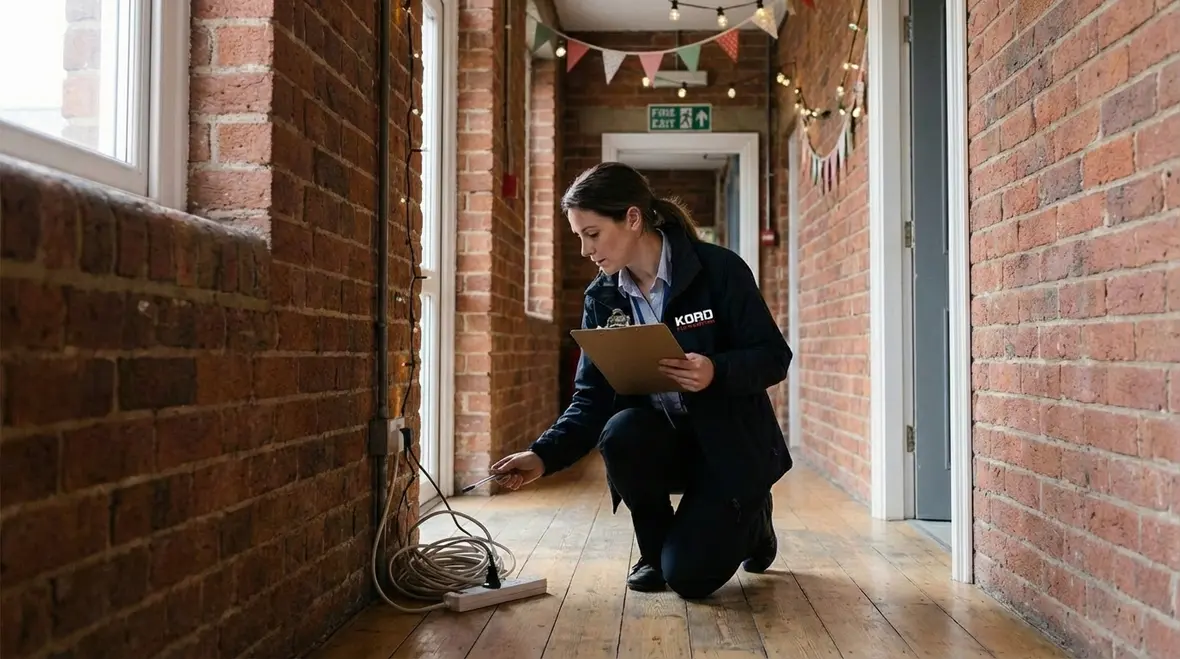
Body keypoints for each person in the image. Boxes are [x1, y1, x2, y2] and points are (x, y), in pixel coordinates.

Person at [491, 162, 794, 599]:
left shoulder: (720, 270)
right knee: (621, 431)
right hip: (664, 443)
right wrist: (541, 456)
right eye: (579, 236)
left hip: (728, 447)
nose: (584, 250)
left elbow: (773, 358)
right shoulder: (603, 296)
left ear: (633, 219)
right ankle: (656, 550)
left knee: (689, 579)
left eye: (592, 234)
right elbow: (591, 397)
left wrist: (715, 370)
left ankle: (753, 515)